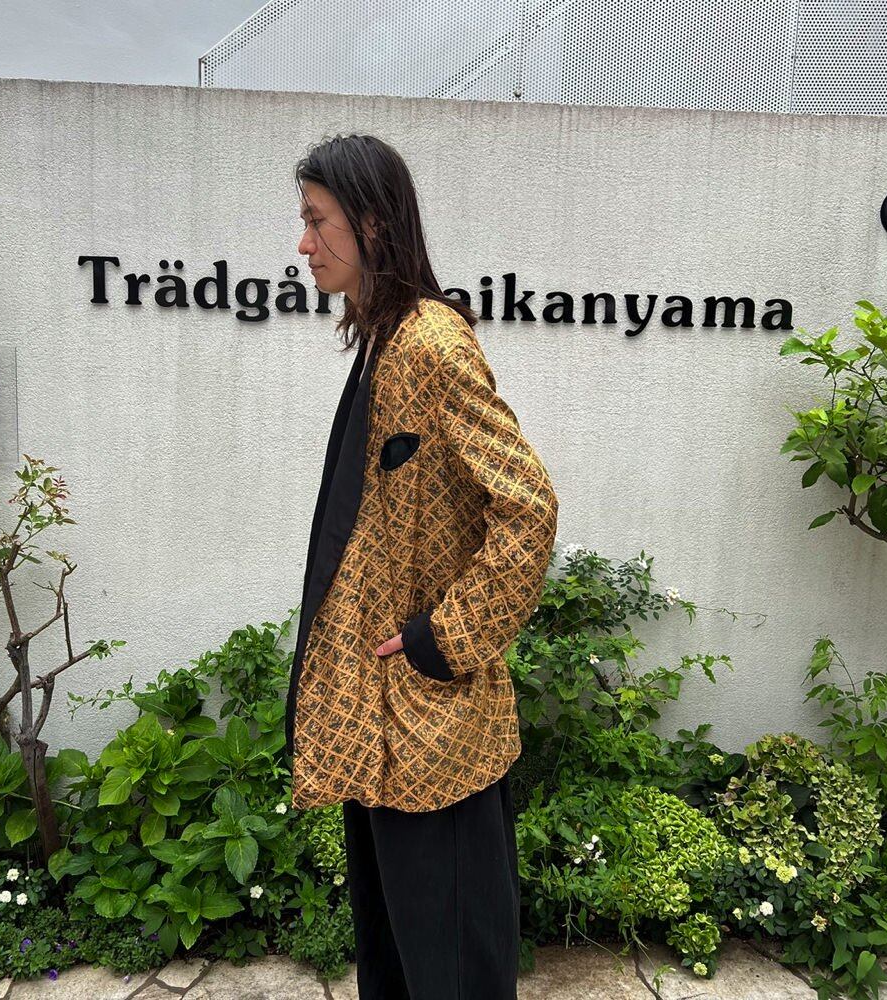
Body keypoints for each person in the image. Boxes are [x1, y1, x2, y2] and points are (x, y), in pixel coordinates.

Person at [287, 133, 559, 1000]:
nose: (303, 243)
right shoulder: (384, 339)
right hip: (383, 724)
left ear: (372, 223)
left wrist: (444, 641)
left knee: (451, 969)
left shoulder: (432, 345)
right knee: (398, 961)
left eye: (317, 220)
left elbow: (527, 507)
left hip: (431, 724)